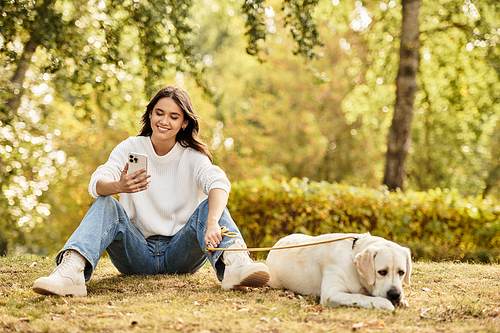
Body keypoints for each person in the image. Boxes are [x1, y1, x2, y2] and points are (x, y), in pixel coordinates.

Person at [32, 86, 270, 296]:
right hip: (137, 254)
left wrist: (212, 223)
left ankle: (236, 264)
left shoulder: (193, 156)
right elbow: (96, 182)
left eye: (173, 116)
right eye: (159, 113)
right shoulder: (131, 147)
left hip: (181, 253)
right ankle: (69, 274)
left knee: (210, 205)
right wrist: (119, 186)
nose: (164, 121)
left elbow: (219, 183)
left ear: (184, 122)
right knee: (106, 203)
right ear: (150, 114)